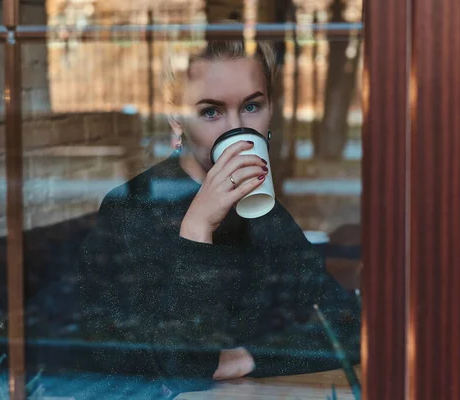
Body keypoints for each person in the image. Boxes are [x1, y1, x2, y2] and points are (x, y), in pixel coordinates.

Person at [76, 37, 360, 398]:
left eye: (252, 106)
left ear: (271, 110)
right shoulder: (129, 211)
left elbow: (350, 327)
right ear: (177, 119)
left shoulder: (263, 211)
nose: (236, 128)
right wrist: (198, 227)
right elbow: (174, 370)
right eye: (211, 111)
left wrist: (245, 358)